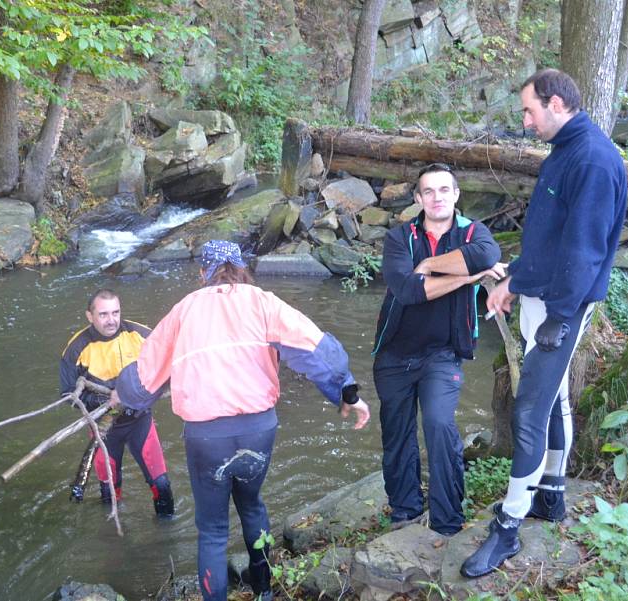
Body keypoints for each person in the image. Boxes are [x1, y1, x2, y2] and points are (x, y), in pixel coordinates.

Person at [111, 240, 371, 601]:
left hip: (206, 437)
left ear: (204, 273)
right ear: (241, 267)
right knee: (252, 505)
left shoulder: (185, 309)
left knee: (214, 530)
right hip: (259, 429)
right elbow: (316, 349)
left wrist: (120, 394)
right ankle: (264, 592)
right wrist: (346, 392)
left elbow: (143, 381)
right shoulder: (262, 301)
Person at [461, 69, 627, 578]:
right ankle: (551, 495)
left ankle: (508, 527)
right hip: (541, 293)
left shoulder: (595, 160)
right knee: (552, 397)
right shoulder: (566, 150)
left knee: (528, 408)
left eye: (529, 111)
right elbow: (550, 237)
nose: (525, 121)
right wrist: (513, 276)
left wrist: (558, 318)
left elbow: (583, 250)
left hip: (563, 306)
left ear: (556, 103)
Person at [372, 164, 504, 535]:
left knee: (439, 423)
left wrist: (429, 265)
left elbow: (485, 255)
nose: (437, 197)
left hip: (443, 353)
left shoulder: (473, 232)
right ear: (418, 199)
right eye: (428, 191)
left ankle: (447, 520)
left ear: (456, 195)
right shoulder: (400, 238)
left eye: (444, 190)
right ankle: (405, 511)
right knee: (396, 433)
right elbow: (409, 291)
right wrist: (470, 277)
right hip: (394, 354)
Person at [60, 289, 175, 517]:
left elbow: (169, 365)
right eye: (103, 314)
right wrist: (107, 398)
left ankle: (166, 535)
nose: (111, 320)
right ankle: (113, 539)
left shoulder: (140, 334)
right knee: (110, 492)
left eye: (115, 312)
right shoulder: (76, 349)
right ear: (89, 316)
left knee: (161, 485)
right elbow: (68, 394)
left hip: (139, 421)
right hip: (103, 429)